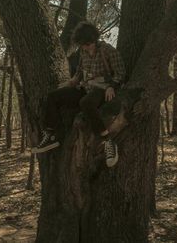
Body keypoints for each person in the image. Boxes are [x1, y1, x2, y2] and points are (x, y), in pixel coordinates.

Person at [31, 21, 126, 167]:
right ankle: (52, 135)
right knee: (53, 96)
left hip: (102, 90)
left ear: (93, 39)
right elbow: (80, 72)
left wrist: (111, 86)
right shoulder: (83, 52)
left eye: (87, 44)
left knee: (86, 103)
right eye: (82, 45)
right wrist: (71, 82)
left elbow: (120, 73)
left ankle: (108, 142)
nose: (85, 47)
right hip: (85, 88)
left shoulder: (108, 50)